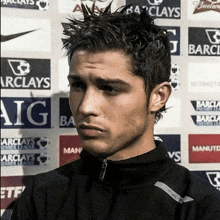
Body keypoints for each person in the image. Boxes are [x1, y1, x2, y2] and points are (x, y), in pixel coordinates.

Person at [10, 4, 220, 220]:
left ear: (158, 97)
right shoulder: (41, 195)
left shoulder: (200, 207)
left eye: (110, 88)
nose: (85, 107)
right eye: (78, 85)